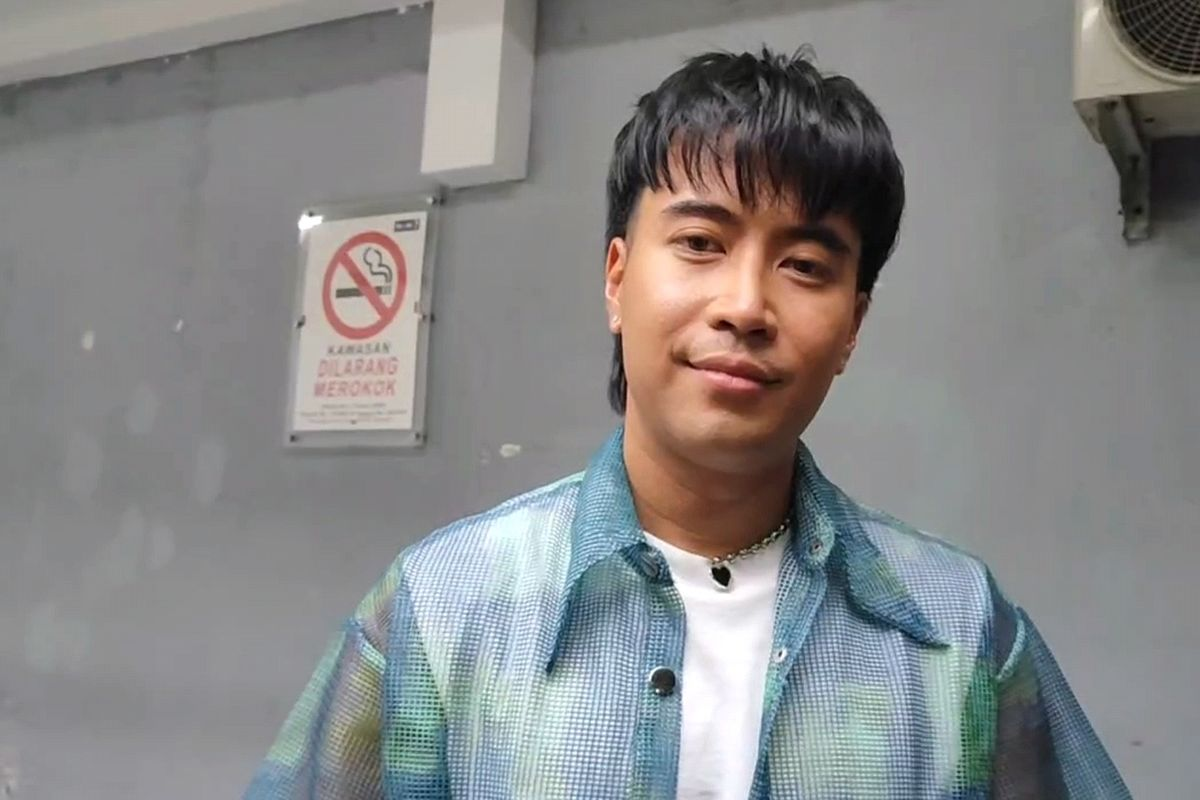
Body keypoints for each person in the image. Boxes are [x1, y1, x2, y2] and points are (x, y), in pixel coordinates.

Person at [245, 48, 1130, 799]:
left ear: (853, 326)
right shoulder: (441, 611)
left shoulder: (957, 631)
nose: (745, 305)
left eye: (805, 264)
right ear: (616, 279)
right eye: (701, 243)